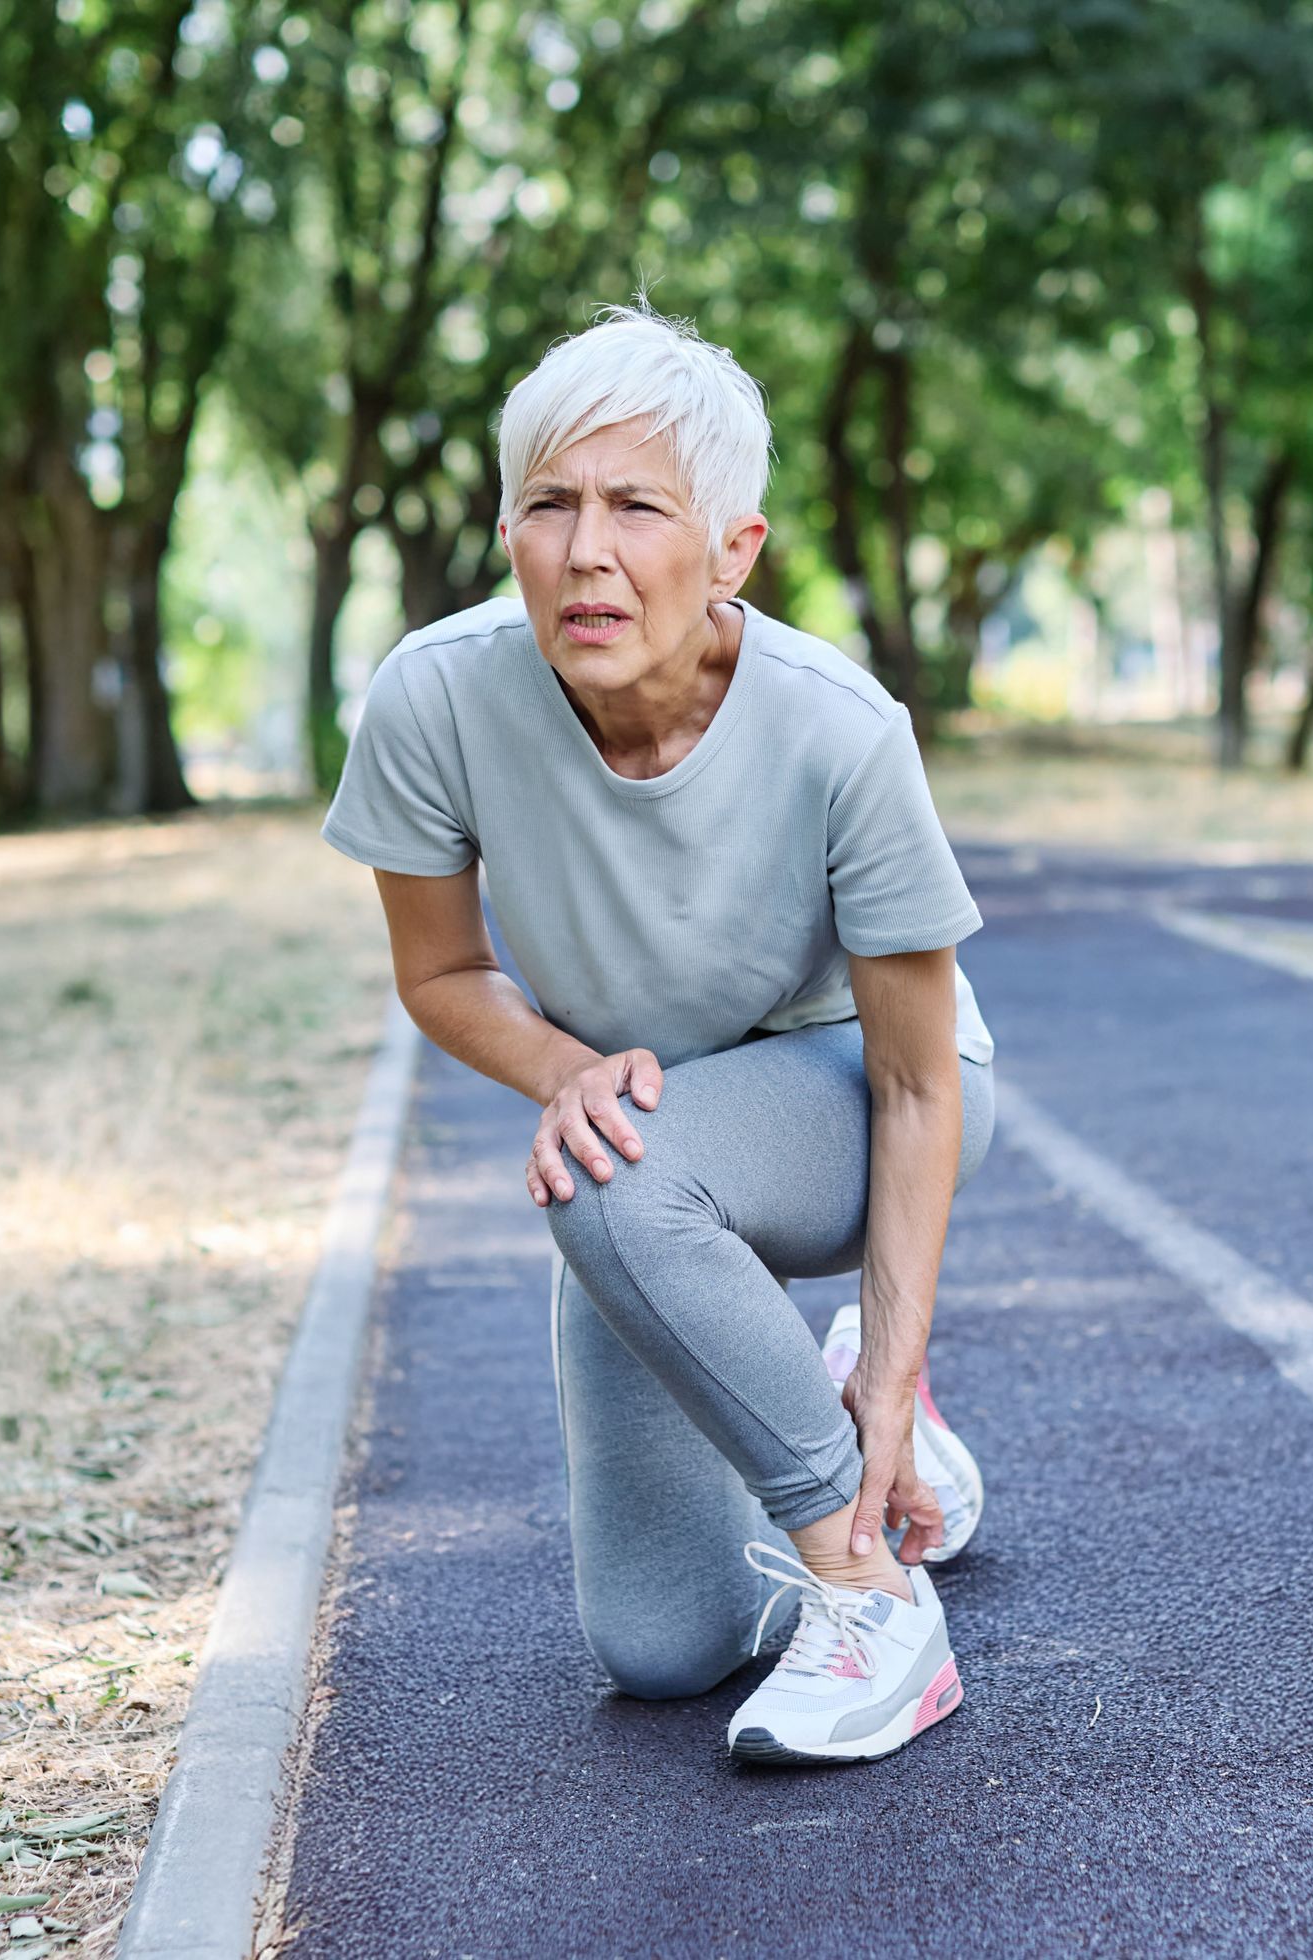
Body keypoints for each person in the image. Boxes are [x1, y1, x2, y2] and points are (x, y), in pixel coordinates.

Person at [318, 297, 997, 1765]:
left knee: (619, 1177)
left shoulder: (839, 726)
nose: (588, 551)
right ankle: (801, 1417)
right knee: (661, 1649)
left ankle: (870, 1592)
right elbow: (441, 975)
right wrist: (562, 1069)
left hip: (859, 1101)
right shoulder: (433, 698)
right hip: (653, 1128)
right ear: (507, 534)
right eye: (549, 506)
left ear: (733, 549)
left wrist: (890, 1357)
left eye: (639, 507)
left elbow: (918, 1079)